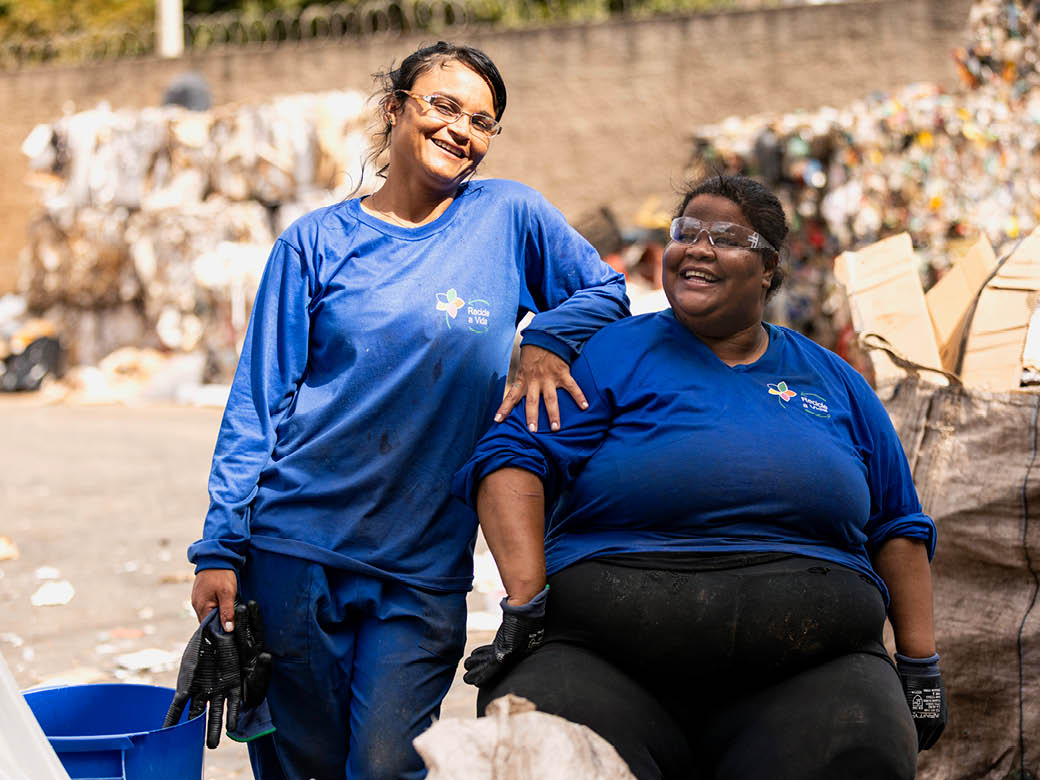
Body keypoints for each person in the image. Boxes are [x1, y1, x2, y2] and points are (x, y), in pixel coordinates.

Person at [184, 41, 629, 779]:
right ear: (395, 110)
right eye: (443, 106)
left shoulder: (509, 216)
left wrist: (547, 337)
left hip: (423, 565)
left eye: (482, 121)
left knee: (390, 765)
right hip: (297, 551)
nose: (461, 130)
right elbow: (258, 406)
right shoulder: (315, 244)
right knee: (305, 767)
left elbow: (604, 291)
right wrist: (222, 548)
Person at [453, 175, 946, 779]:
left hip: (814, 670)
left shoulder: (833, 379)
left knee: (858, 749)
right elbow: (512, 456)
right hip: (605, 661)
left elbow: (897, 524)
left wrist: (920, 666)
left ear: (767, 268)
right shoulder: (614, 355)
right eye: (687, 232)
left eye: (727, 237)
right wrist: (525, 602)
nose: (699, 248)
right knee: (536, 746)